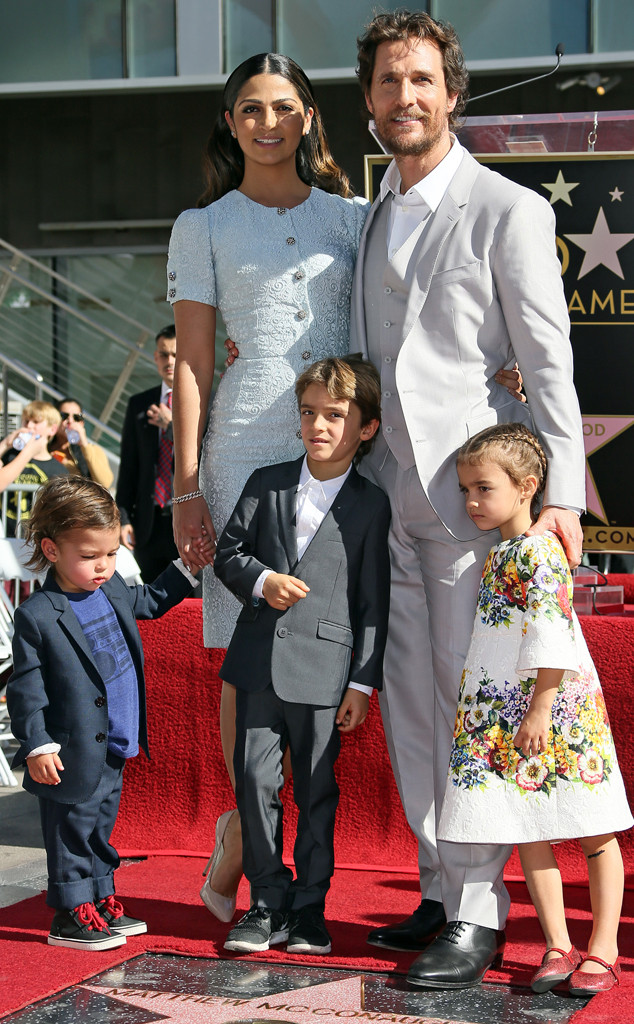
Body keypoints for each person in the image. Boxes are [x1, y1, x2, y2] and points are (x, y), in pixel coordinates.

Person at [167, 49, 523, 922]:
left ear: (310, 119)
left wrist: (498, 362)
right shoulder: (202, 227)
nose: (267, 122)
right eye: (249, 107)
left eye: (283, 106)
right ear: (230, 121)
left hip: (350, 453)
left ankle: (287, 861)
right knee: (251, 663)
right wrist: (184, 486)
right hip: (245, 452)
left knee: (329, 647)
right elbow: (195, 366)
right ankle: (256, 851)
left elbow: (417, 316)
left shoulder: (358, 217)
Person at [350, 10, 586, 989]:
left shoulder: (506, 208)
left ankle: (480, 915)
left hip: (475, 504)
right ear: (366, 101)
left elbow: (546, 359)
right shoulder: (369, 211)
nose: (403, 96)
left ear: (451, 92)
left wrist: (561, 497)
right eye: (386, 81)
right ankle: (443, 885)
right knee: (410, 704)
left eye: (420, 79)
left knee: (472, 702)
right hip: (383, 501)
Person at [438, 424, 632, 997]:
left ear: (526, 487)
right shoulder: (502, 552)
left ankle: (604, 947)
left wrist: (540, 707)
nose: (471, 501)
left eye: (482, 488)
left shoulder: (540, 552)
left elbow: (553, 634)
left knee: (593, 827)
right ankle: (555, 943)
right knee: (527, 828)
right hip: (505, 714)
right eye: (465, 489)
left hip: (552, 710)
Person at [213, 356, 390, 955]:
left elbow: (372, 602)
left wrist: (362, 685)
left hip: (327, 675)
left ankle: (311, 909)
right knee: (254, 781)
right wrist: (263, 581)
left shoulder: (371, 504)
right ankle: (266, 902)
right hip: (258, 664)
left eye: (335, 415)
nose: (319, 425)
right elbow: (229, 553)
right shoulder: (267, 482)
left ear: (365, 428)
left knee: (316, 790)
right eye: (310, 412)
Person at [6, 476, 196, 950]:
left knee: (99, 826)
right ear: (50, 550)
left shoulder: (111, 591)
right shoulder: (39, 614)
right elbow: (25, 687)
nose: (104, 566)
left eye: (110, 554)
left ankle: (100, 896)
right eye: (90, 556)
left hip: (115, 740)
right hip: (68, 749)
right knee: (70, 829)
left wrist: (188, 567)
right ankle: (70, 914)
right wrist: (37, 743)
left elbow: (150, 600)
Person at [116, 325, 179, 581]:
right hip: (147, 525)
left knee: (191, 607)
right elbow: (129, 464)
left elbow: (205, 452)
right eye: (164, 354)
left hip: (186, 523)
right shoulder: (139, 404)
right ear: (155, 357)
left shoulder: (205, 401)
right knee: (149, 605)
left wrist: (172, 426)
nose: (169, 361)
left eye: (176, 354)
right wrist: (122, 517)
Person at [0, 401, 68, 535]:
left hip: (36, 539)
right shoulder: (10, 455)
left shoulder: (59, 470)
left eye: (36, 422)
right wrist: (6, 444)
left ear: (52, 429)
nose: (29, 426)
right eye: (26, 421)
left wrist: (29, 452)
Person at [48, 398, 114, 489]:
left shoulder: (93, 450)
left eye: (76, 417)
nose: (70, 421)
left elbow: (105, 483)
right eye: (64, 416)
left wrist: (85, 445)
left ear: (82, 423)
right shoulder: (45, 448)